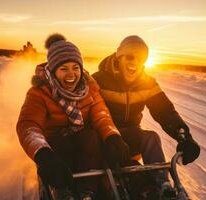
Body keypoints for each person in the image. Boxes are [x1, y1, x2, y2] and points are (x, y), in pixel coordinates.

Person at [16, 34, 129, 199]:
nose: (71, 74)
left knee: (91, 137)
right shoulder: (39, 92)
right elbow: (28, 125)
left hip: (85, 146)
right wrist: (42, 153)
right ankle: (62, 192)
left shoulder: (89, 88)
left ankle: (88, 193)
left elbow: (101, 115)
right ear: (53, 71)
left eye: (75, 68)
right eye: (64, 69)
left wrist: (112, 136)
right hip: (55, 148)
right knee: (79, 140)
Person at [92, 35, 200, 199]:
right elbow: (87, 109)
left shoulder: (147, 83)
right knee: (110, 180)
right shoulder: (99, 79)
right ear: (119, 57)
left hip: (130, 134)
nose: (134, 62)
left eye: (141, 58)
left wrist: (183, 136)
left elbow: (164, 111)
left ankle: (162, 185)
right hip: (105, 138)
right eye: (130, 56)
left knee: (151, 137)